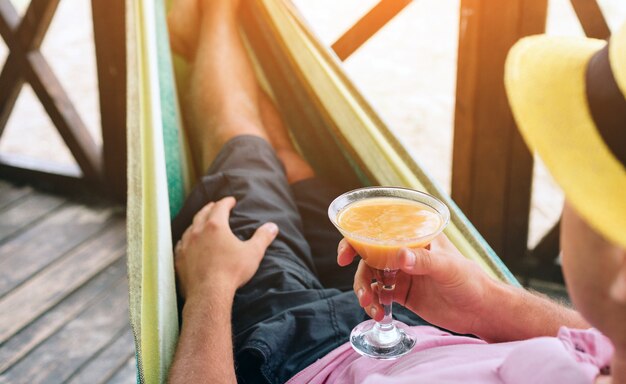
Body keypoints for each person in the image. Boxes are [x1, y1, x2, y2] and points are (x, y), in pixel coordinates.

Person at [166, 0, 626, 382]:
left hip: (294, 353)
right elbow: (600, 337)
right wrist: (487, 301)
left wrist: (211, 287)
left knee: (245, 147)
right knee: (289, 163)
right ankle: (222, 34)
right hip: (431, 323)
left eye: (580, 184)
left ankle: (220, 12)